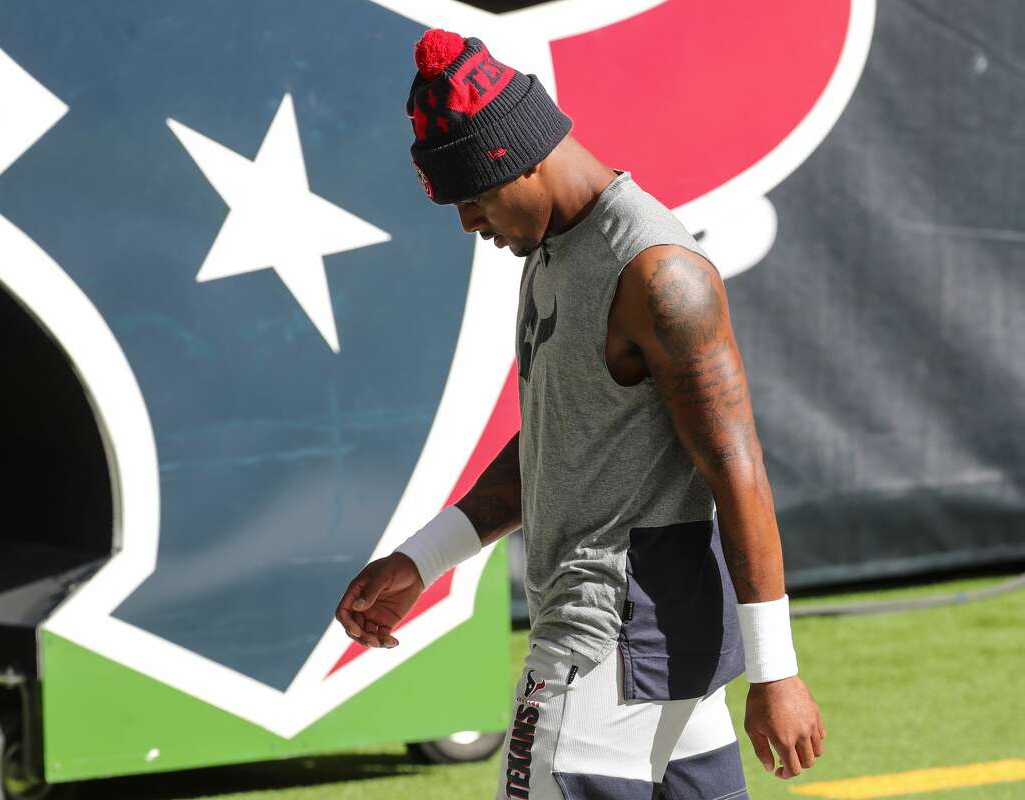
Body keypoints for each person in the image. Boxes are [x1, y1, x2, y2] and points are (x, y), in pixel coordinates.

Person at [335, 28, 824, 799]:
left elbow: (738, 468)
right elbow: (564, 441)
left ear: (522, 159)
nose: (470, 224)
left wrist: (778, 671)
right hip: (656, 646)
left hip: (601, 637)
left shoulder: (658, 273)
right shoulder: (553, 251)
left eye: (474, 198)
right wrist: (420, 561)